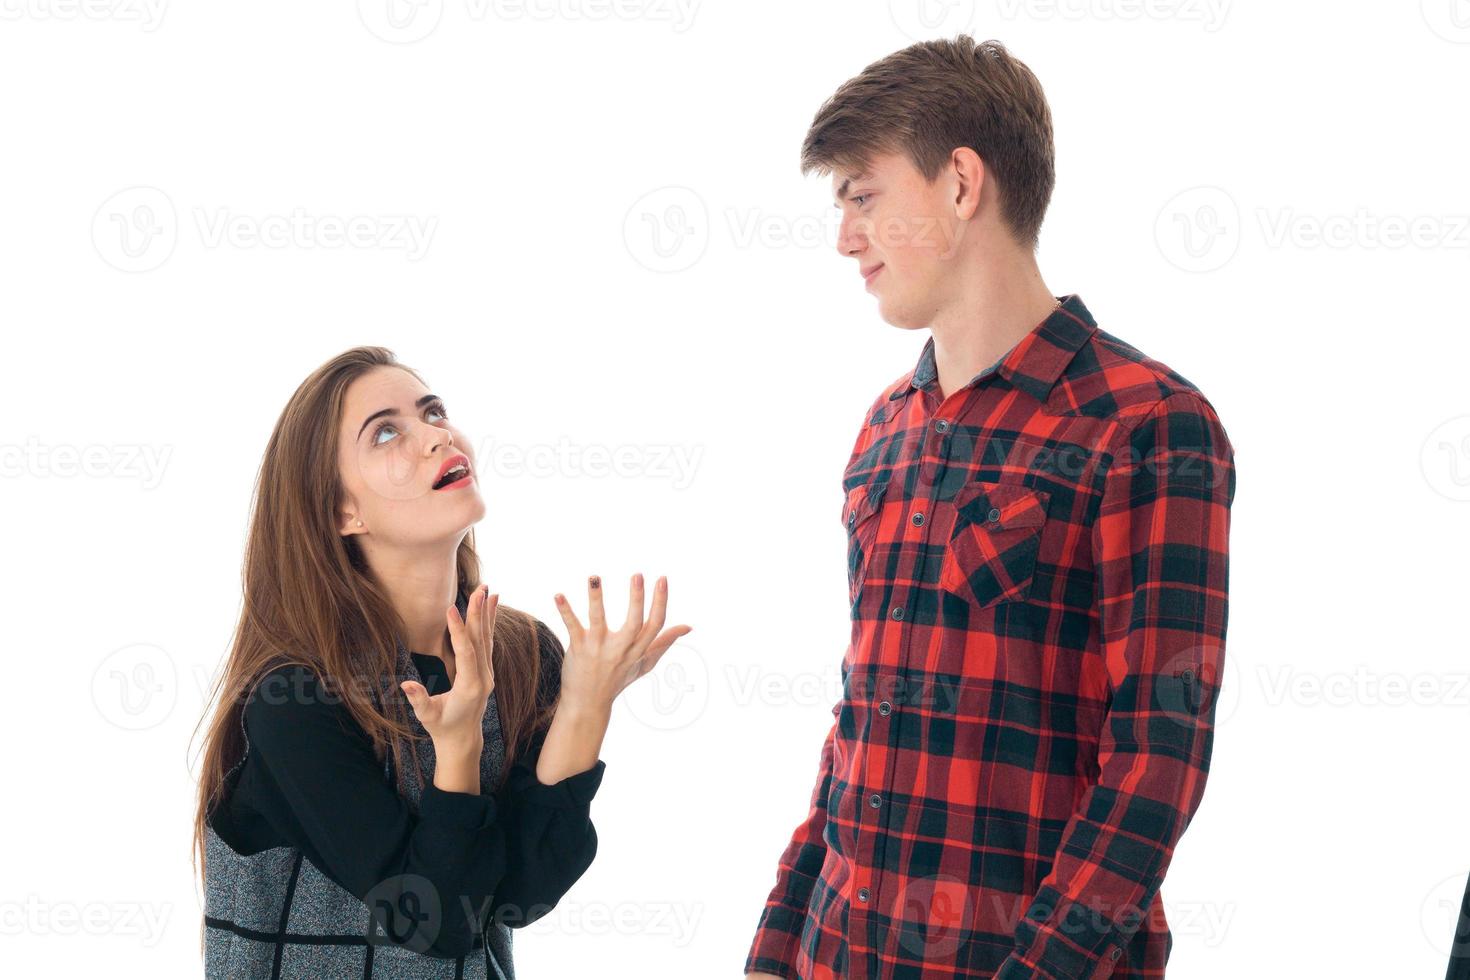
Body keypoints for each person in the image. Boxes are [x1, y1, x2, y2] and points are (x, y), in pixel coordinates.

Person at [744, 36, 1236, 979]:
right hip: (835, 955)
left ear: (961, 184)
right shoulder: (884, 428)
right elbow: (863, 719)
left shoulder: (1150, 424)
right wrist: (776, 944)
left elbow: (1154, 768)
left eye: (862, 195)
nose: (845, 235)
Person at [190, 345, 690, 978]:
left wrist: (585, 705)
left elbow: (516, 893)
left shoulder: (519, 652)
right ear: (342, 511)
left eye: (434, 412)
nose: (435, 436)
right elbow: (435, 923)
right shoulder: (295, 699)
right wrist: (455, 753)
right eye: (387, 432)